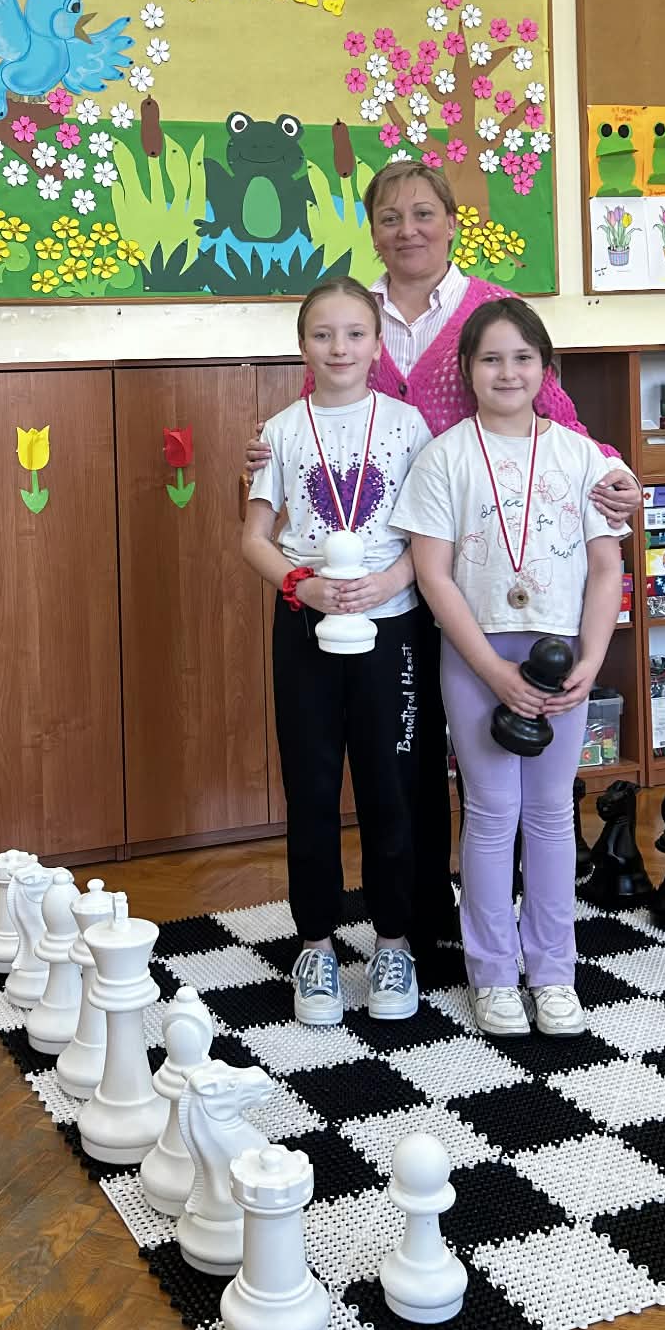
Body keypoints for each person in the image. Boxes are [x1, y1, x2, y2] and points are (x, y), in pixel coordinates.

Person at [243, 164, 641, 958]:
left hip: (478, 572)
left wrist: (617, 476)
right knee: (408, 756)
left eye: (423, 213)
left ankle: (494, 928)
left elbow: (558, 424)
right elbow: (319, 424)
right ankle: (416, 923)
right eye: (390, 217)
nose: (408, 230)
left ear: (453, 222)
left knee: (465, 757)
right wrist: (264, 456)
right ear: (372, 230)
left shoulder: (490, 313)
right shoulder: (353, 314)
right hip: (390, 577)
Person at [393, 297, 627, 1038]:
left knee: (552, 814)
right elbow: (432, 575)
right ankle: (493, 974)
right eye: (491, 358)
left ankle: (553, 973)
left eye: (522, 358)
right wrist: (492, 670)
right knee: (492, 813)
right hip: (476, 656)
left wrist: (593, 657)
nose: (507, 372)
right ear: (467, 369)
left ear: (545, 368)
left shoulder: (584, 457)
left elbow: (606, 567)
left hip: (561, 656)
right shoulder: (444, 457)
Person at [242, 278, 430, 1027]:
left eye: (355, 334)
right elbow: (254, 538)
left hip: (394, 627)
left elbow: (430, 537)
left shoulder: (409, 425)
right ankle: (316, 944)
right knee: (312, 786)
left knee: (392, 788)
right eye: (323, 335)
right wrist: (303, 585)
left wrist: (387, 582)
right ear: (302, 347)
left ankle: (393, 943)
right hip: (306, 626)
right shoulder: (281, 430)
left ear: (378, 346)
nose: (340, 348)